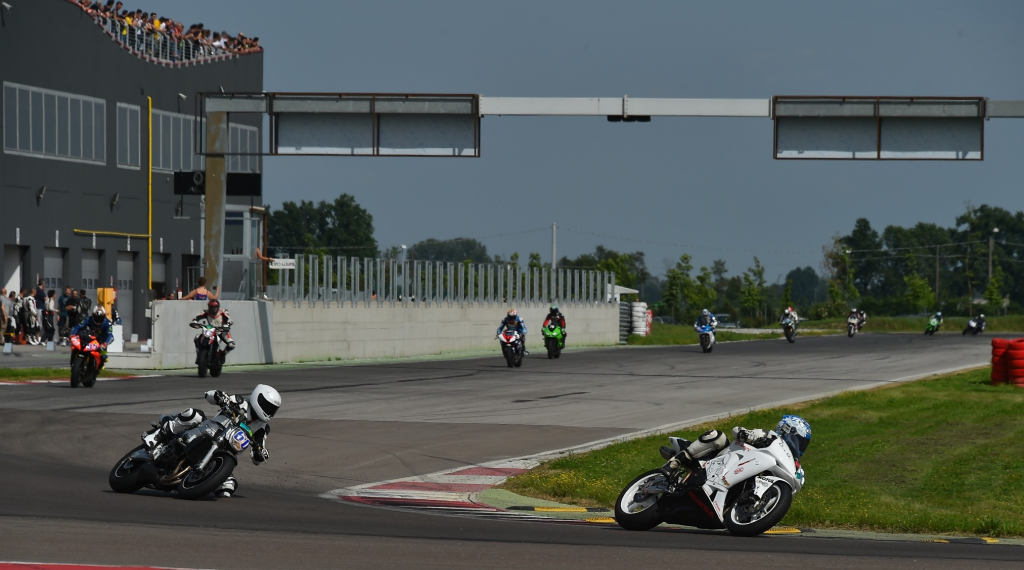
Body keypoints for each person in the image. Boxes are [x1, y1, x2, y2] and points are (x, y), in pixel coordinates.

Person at [141, 384, 281, 498]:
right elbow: (209, 395)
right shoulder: (240, 402)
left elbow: (258, 452)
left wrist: (260, 454)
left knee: (228, 487)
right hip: (204, 432)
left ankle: (197, 481)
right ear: (258, 398)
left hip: (224, 452)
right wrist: (218, 396)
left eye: (273, 409)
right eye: (267, 406)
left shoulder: (262, 428)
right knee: (194, 414)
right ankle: (158, 435)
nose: (269, 411)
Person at [666, 415, 812, 472]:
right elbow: (736, 430)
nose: (799, 446)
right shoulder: (768, 436)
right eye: (799, 440)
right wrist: (747, 435)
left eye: (803, 443)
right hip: (722, 460)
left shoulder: (789, 462)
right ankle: (673, 464)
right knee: (717, 436)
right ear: (786, 430)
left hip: (739, 472)